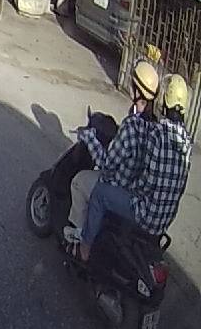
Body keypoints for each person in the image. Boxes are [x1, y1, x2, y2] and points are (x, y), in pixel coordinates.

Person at [79, 73, 192, 261]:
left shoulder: (157, 133)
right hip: (165, 219)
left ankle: (85, 247)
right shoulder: (186, 142)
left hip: (145, 214)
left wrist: (126, 186)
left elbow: (145, 180)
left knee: (100, 193)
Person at [66, 60, 160, 251]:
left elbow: (106, 165)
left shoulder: (131, 126)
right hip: (135, 191)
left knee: (79, 181)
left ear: (136, 90)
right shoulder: (155, 126)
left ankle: (79, 236)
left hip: (117, 186)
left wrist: (90, 138)